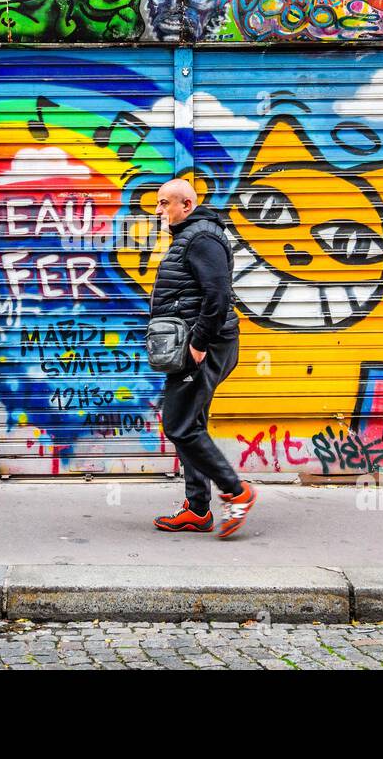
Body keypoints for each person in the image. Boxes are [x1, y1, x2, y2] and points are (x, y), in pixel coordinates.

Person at [150, 178, 257, 539]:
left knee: (178, 424)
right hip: (196, 343)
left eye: (165, 203)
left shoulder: (202, 238)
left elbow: (218, 296)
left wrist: (198, 344)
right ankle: (197, 510)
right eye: (158, 203)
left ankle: (237, 491)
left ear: (187, 205)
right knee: (190, 423)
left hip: (206, 345)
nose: (159, 210)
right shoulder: (190, 237)